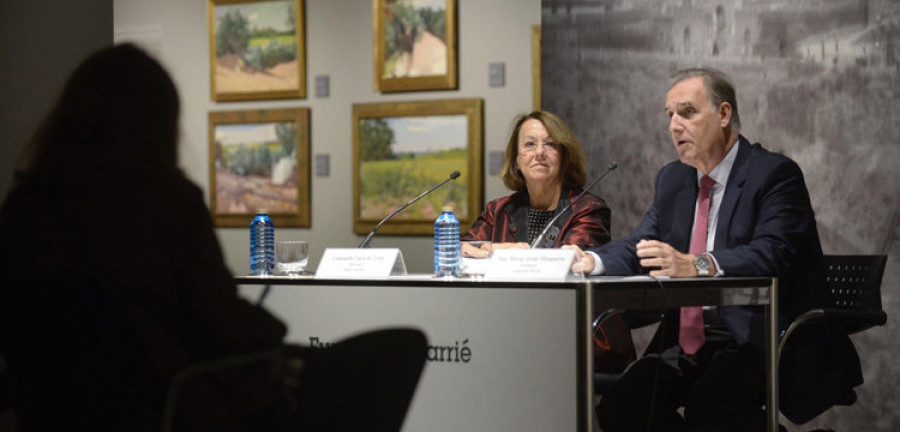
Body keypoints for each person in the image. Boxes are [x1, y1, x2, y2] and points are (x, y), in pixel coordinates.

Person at [0, 43, 426, 432]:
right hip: (173, 408)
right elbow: (221, 318)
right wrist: (273, 331)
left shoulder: (24, 207)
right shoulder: (166, 202)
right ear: (158, 123)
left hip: (54, 415)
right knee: (389, 355)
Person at [567, 68, 863, 431]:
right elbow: (640, 245)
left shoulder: (774, 174)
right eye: (669, 116)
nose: (675, 126)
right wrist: (590, 260)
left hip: (759, 336)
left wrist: (698, 264)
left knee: (711, 409)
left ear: (723, 114)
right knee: (623, 405)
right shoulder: (673, 179)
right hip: (690, 340)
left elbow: (773, 252)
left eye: (687, 112)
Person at [462, 110, 636, 372]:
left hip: (577, 334)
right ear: (517, 160)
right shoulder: (497, 210)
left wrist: (489, 254)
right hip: (510, 329)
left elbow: (565, 264)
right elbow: (456, 251)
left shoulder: (588, 209)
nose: (539, 152)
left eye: (550, 144)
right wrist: (500, 249)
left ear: (564, 158)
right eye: (530, 144)